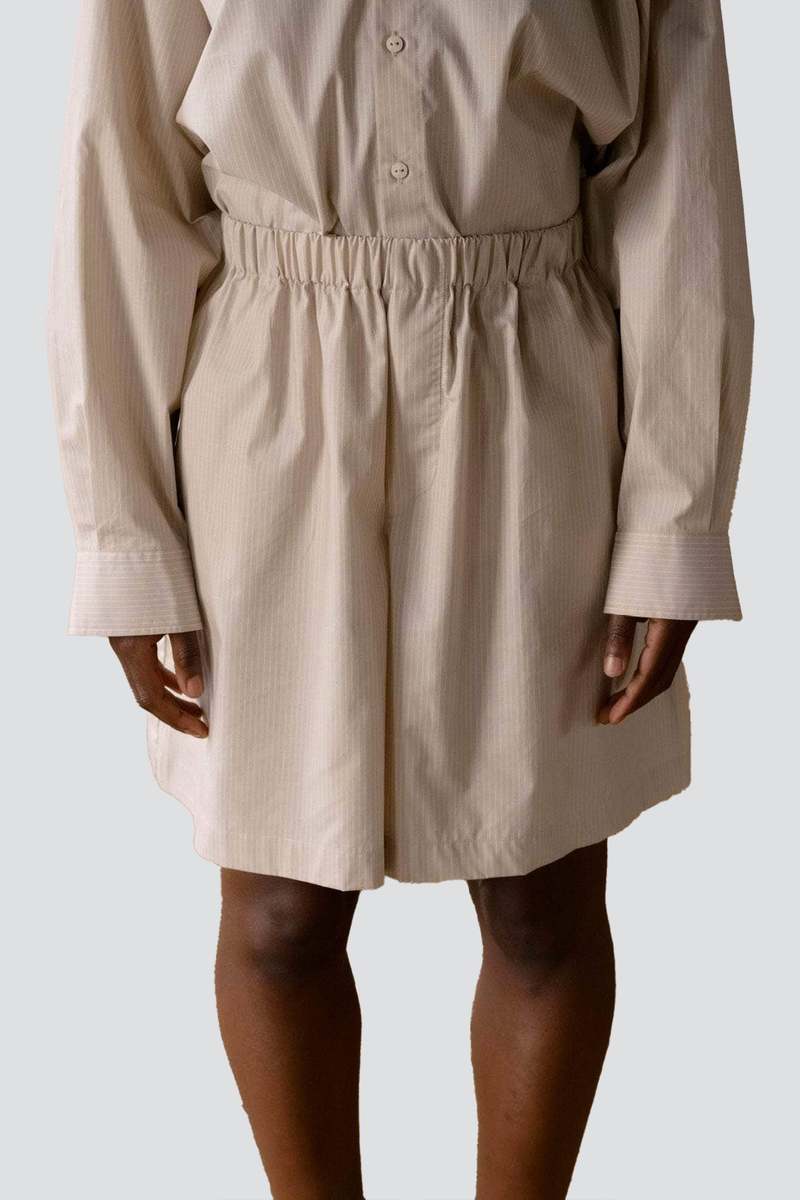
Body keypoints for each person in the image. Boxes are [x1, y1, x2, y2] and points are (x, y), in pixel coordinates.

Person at [47, 2, 753, 1196]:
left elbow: (677, 179)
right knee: (280, 909)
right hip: (267, 407)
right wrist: (124, 534)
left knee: (537, 898)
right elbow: (120, 182)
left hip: (533, 394)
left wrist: (671, 526)